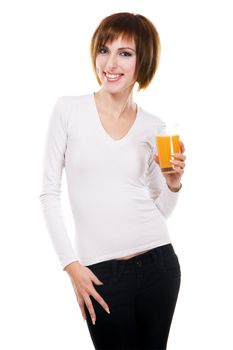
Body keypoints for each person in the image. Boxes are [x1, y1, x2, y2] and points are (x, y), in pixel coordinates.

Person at [39, 11, 186, 350]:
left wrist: (173, 183)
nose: (110, 63)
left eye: (125, 53)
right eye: (104, 50)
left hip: (159, 264)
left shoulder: (153, 126)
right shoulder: (68, 110)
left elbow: (160, 208)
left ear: (142, 61)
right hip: (100, 273)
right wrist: (71, 265)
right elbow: (48, 193)